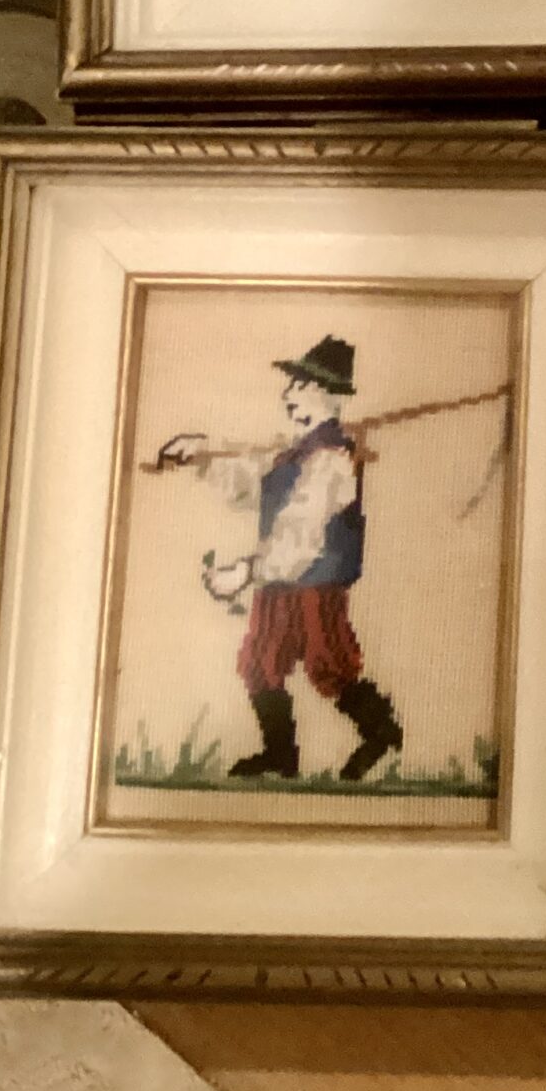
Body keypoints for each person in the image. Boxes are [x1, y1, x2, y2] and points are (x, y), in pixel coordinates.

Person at [157, 335, 406, 782]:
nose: (288, 395)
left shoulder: (331, 461)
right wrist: (200, 454)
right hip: (280, 579)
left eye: (299, 386)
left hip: (316, 582)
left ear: (326, 395)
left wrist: (247, 571)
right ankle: (279, 755)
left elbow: (302, 532)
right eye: (291, 385)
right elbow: (251, 483)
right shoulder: (292, 452)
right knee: (260, 662)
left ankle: (382, 733)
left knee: (328, 664)